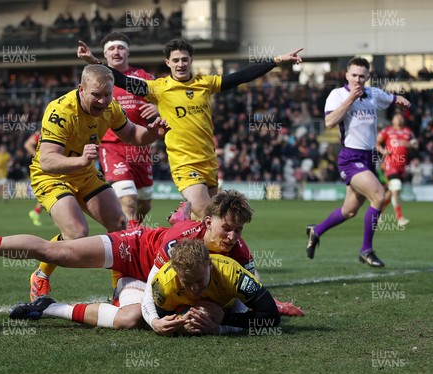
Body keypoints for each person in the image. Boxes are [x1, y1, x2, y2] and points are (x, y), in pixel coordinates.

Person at [0, 191, 304, 331]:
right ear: (208, 221)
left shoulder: (238, 250)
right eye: (228, 227)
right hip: (135, 250)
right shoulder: (182, 240)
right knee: (59, 251)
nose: (234, 236)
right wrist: (163, 321)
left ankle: (48, 308)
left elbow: (249, 293)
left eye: (239, 230)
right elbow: (155, 289)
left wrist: (271, 309)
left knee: (129, 321)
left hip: (149, 279)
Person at [77, 38, 302, 221]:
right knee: (209, 216)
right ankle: (229, 262)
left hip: (209, 162)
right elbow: (121, 81)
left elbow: (241, 77)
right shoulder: (159, 88)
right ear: (168, 63)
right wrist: (93, 61)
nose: (181, 64)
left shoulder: (206, 83)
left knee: (210, 217)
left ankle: (182, 224)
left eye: (185, 59)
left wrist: (277, 60)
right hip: (184, 163)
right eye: (176, 60)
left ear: (191, 60)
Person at [27, 64, 169, 302]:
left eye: (107, 95)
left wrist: (153, 134)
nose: (103, 101)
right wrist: (82, 160)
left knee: (120, 223)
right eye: (96, 95)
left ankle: (118, 289)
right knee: (76, 234)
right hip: (52, 175)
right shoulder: (60, 110)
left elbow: (133, 135)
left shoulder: (111, 108)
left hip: (84, 172)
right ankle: (41, 275)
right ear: (81, 89)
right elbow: (47, 161)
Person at [306, 57, 411, 267]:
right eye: (354, 75)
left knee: (350, 210)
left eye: (362, 76)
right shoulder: (337, 95)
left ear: (367, 77)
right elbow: (329, 122)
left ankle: (315, 231)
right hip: (350, 158)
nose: (357, 79)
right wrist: (350, 100)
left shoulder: (373, 94)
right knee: (379, 197)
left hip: (368, 158)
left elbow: (390, 98)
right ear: (346, 75)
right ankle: (366, 250)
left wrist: (399, 98)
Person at [143, 239, 280, 336]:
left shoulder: (231, 273)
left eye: (199, 280)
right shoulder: (164, 283)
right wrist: (181, 323)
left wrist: (225, 319)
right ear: (176, 272)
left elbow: (272, 316)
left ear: (210, 264)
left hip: (231, 302)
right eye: (187, 282)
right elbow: (162, 318)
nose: (195, 288)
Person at [98, 32, 159, 229]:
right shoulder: (98, 78)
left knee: (144, 204)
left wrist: (160, 108)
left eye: (120, 47)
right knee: (129, 199)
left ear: (128, 52)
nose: (116, 52)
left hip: (141, 146)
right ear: (105, 54)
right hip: (112, 146)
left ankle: (130, 229)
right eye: (112, 49)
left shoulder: (143, 77)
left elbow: (167, 99)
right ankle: (131, 243)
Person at [376, 113, 417, 226]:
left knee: (391, 191)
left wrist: (410, 144)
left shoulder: (408, 131)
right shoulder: (387, 130)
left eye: (400, 116)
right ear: (392, 120)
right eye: (396, 116)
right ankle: (400, 218)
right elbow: (376, 143)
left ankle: (378, 213)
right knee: (397, 188)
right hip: (390, 164)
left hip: (402, 166)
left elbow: (416, 145)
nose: (398, 118)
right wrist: (383, 151)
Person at [23, 131, 44, 226]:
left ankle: (36, 211)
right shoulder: (44, 131)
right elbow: (27, 144)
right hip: (44, 166)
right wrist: (38, 157)